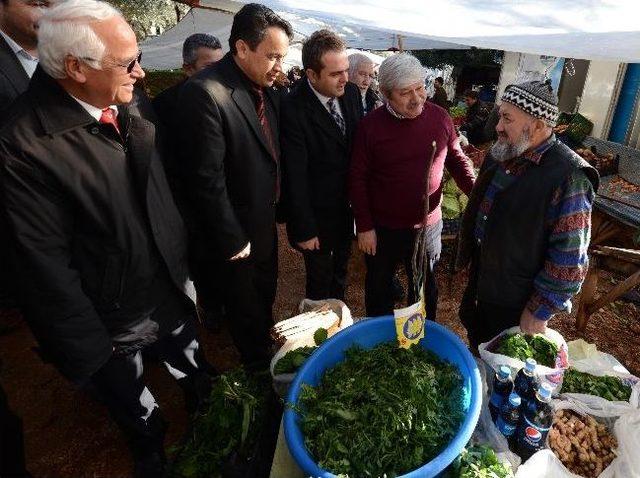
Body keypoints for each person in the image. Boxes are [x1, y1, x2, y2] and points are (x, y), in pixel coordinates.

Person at [0, 2, 213, 476]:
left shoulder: (124, 94)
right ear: (75, 68)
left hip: (167, 282)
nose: (140, 72)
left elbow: (163, 181)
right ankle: (149, 443)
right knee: (132, 397)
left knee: (191, 361)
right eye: (127, 62)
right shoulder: (21, 146)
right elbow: (44, 267)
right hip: (111, 314)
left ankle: (203, 404)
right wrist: (90, 351)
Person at [176, 3, 293, 368]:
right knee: (244, 305)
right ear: (242, 48)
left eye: (283, 57)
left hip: (263, 219)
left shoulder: (267, 88)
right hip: (235, 232)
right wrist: (231, 237)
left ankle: (262, 344)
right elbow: (205, 179)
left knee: (264, 291)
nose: (280, 66)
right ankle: (260, 373)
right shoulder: (206, 93)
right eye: (273, 56)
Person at [455, 80, 599, 351]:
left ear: (538, 124)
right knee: (478, 349)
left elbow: (569, 260)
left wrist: (538, 311)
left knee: (506, 375)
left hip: (519, 303)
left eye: (507, 118)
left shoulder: (568, 176)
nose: (497, 126)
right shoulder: (503, 151)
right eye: (500, 116)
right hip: (486, 285)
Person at [349, 53, 475, 320]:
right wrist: (365, 226)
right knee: (380, 285)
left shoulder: (440, 118)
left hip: (427, 225)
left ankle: (421, 342)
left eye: (420, 88)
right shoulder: (370, 127)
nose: (417, 98)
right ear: (385, 93)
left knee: (424, 286)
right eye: (405, 92)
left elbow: (456, 159)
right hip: (384, 227)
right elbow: (357, 178)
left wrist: (478, 194)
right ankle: (379, 338)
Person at [281, 29, 362, 301]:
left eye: (346, 70)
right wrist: (304, 228)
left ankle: (337, 324)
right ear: (311, 74)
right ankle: (318, 337)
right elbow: (295, 174)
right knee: (319, 281)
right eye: (335, 73)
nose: (345, 78)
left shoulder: (350, 94)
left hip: (345, 210)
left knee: (340, 271)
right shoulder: (292, 107)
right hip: (316, 214)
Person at [152, 33, 225, 330]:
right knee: (202, 263)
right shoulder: (165, 105)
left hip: (225, 198)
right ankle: (211, 312)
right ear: (187, 68)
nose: (217, 73)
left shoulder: (228, 94)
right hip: (189, 205)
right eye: (209, 66)